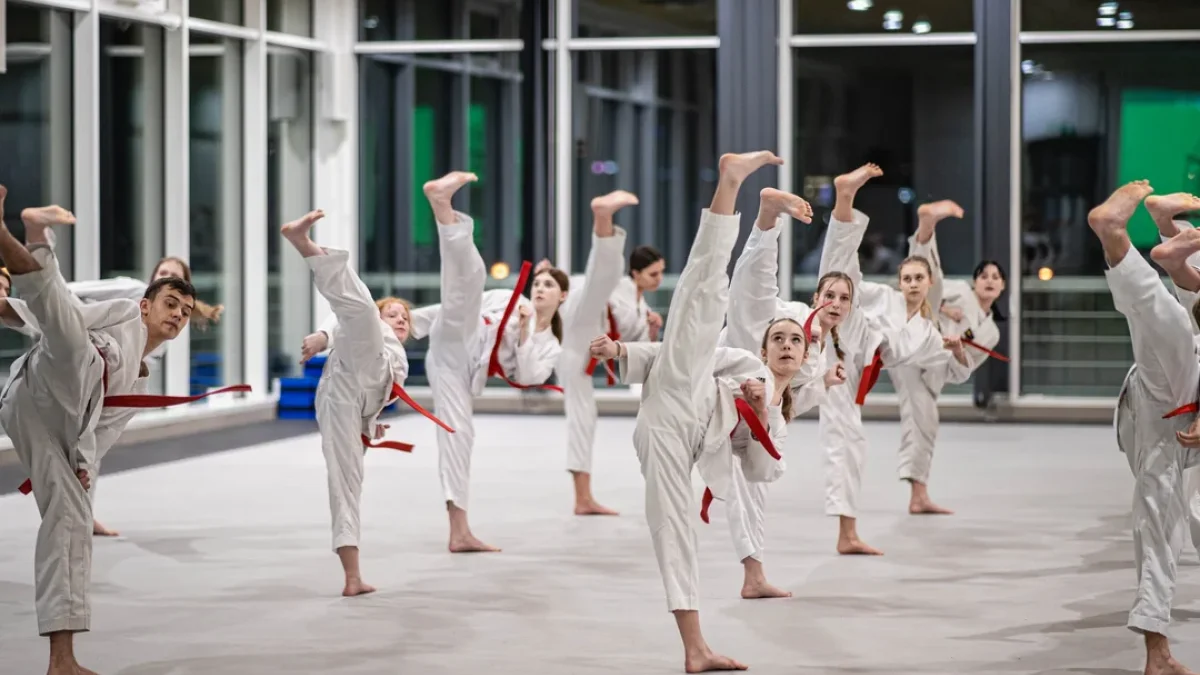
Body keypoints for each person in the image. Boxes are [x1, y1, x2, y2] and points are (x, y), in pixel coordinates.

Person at [587, 150, 799, 673]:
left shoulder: (778, 400)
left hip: (684, 422)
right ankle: (731, 183)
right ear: (765, 345)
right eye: (779, 338)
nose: (785, 346)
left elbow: (763, 469)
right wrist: (624, 351)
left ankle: (695, 647)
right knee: (706, 294)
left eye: (794, 341)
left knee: (675, 530)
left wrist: (761, 407)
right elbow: (679, 352)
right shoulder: (742, 358)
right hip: (681, 398)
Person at [0, 187, 195, 675]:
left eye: (185, 311)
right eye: (171, 303)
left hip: (58, 413)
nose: (177, 314)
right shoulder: (127, 310)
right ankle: (27, 233)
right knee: (62, 321)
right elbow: (65, 315)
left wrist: (84, 468)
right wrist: (10, 311)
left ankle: (61, 660)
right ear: (147, 305)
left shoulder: (139, 377)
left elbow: (100, 431)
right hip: (59, 367)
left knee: (70, 522)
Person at [281, 208, 446, 597]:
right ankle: (303, 242)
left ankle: (352, 576)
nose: (400, 319)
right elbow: (346, 316)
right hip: (348, 372)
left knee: (347, 481)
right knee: (359, 309)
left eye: (405, 317)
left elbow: (376, 393)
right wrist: (323, 337)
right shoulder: (373, 328)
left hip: (350, 396)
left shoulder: (397, 355)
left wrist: (371, 423)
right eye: (394, 314)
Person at [815, 164, 973, 556]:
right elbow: (849, 287)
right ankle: (846, 196)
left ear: (930, 284)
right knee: (840, 275)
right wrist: (840, 301)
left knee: (850, 441)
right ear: (899, 282)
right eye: (907, 279)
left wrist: (956, 350)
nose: (913, 284)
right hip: (846, 335)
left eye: (920, 279)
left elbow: (952, 371)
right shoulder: (884, 298)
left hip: (856, 364)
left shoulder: (928, 332)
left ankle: (847, 533)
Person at [32, 233, 224, 538]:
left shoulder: (170, 323)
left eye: (176, 278)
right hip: (76, 337)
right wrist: (54, 306)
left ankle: (82, 512)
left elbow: (136, 367)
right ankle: (39, 245)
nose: (167, 279)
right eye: (163, 273)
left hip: (101, 383)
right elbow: (78, 292)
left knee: (89, 449)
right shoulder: (134, 295)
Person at [418, 171, 567, 553]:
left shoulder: (550, 343)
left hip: (459, 368)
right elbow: (457, 306)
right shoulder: (509, 299)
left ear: (562, 296)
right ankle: (442, 205)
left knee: (458, 435)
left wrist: (524, 331)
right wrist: (409, 324)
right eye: (538, 283)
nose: (539, 288)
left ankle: (459, 532)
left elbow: (530, 376)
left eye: (549, 285)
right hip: (460, 336)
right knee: (470, 279)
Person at [716, 186, 847, 600]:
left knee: (756, 483)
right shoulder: (795, 317)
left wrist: (822, 384)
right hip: (737, 368)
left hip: (751, 409)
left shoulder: (821, 355)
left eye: (844, 299)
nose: (835, 303)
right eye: (829, 295)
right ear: (816, 297)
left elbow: (789, 405)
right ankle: (767, 217)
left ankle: (753, 575)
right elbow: (754, 297)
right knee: (753, 298)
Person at [1096, 182, 1200, 675]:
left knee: (1163, 322)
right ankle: (1138, 237)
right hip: (1173, 408)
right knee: (1161, 524)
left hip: (1160, 396)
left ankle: (1167, 237)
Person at [888, 200, 1007, 515]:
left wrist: (957, 351)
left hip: (932, 368)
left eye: (996, 277)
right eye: (984, 276)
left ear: (1003, 286)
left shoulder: (991, 333)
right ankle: (926, 227)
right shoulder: (960, 292)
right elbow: (922, 289)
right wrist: (943, 308)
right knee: (932, 280)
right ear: (975, 281)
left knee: (925, 424)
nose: (990, 280)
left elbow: (962, 370)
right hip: (916, 336)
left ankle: (919, 495)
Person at [551, 189, 661, 516]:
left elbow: (633, 346)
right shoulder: (621, 288)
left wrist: (651, 329)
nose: (658, 280)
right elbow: (588, 285)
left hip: (581, 344)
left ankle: (583, 498)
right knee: (602, 279)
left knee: (584, 418)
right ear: (636, 274)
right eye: (653, 274)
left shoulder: (641, 305)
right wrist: (550, 278)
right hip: (577, 322)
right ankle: (603, 217)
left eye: (660, 273)